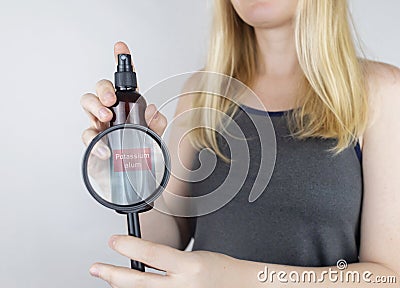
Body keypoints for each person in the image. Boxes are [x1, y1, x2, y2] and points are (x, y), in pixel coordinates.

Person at [80, 0, 400, 287]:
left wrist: (232, 278)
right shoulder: (202, 94)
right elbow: (163, 237)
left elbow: (389, 277)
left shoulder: (380, 94)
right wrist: (127, 164)